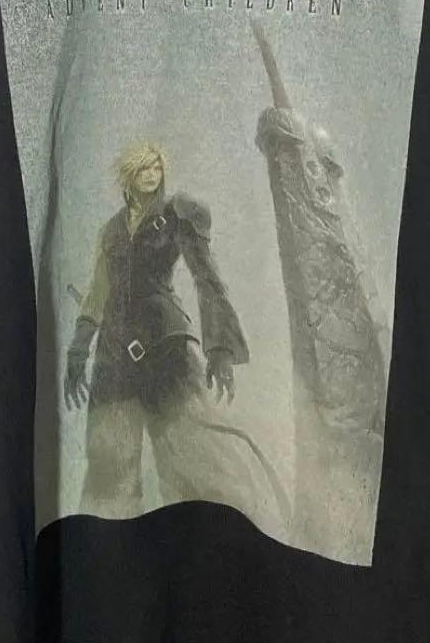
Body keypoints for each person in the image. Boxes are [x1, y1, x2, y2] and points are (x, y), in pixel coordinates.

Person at [63, 141, 290, 533]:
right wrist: (78, 350)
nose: (152, 174)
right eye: (144, 168)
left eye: (157, 167)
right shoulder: (112, 231)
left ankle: (226, 544)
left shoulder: (176, 214)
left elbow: (207, 278)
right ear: (128, 175)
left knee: (195, 465)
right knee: (108, 476)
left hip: (167, 352)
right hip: (113, 360)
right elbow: (97, 293)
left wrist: (220, 348)